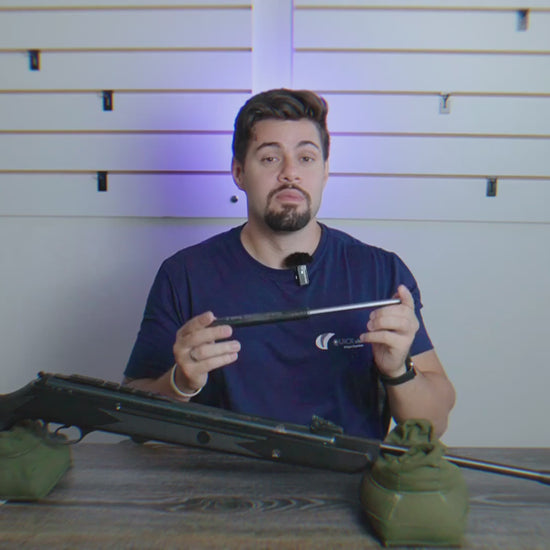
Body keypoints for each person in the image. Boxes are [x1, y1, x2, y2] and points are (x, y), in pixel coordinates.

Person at [123, 89, 455, 439]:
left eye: (306, 158)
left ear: (325, 171)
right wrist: (180, 382)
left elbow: (434, 425)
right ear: (239, 172)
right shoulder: (184, 275)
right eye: (269, 158)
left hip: (349, 471)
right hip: (223, 473)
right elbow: (132, 417)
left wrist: (398, 371)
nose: (290, 173)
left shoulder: (381, 273)